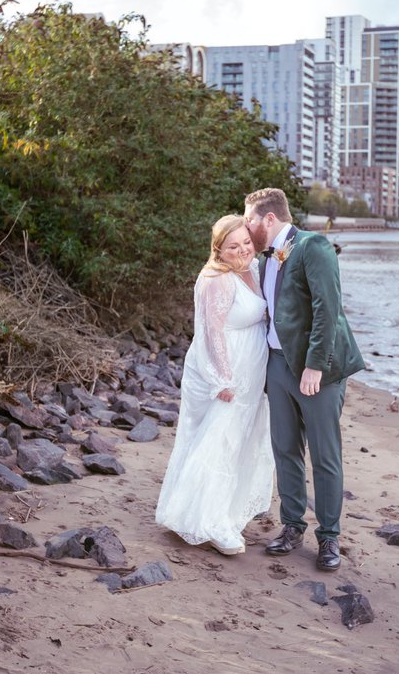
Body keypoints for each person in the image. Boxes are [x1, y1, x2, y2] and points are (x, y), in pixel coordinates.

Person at [243, 188, 365, 571]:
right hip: (277, 366)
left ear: (268, 219)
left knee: (325, 455)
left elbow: (328, 310)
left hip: (318, 371)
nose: (245, 227)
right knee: (285, 449)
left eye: (248, 219)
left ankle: (329, 537)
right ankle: (292, 526)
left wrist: (315, 365)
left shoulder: (314, 247)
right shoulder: (264, 260)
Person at [155, 215, 274, 556]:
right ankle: (210, 522)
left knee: (238, 441)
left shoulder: (251, 271)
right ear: (219, 249)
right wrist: (222, 379)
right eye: (233, 246)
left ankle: (224, 512)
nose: (242, 251)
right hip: (226, 372)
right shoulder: (217, 279)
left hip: (251, 372)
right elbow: (211, 331)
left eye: (246, 244)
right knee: (218, 442)